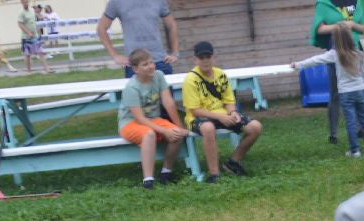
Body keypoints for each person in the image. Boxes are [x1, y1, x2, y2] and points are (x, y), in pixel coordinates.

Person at [182, 42, 263, 182]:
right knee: (208, 128)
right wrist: (220, 117)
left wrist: (232, 113)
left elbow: (229, 101)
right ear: (195, 59)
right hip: (199, 117)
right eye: (202, 57)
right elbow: (195, 110)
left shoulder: (221, 74)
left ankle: (233, 162)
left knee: (255, 127)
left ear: (214, 57)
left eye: (208, 56)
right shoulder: (190, 79)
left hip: (222, 114)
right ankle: (214, 174)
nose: (206, 60)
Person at [291, 25, 364, 156]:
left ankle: (355, 150)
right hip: (361, 90)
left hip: (345, 93)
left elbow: (315, 60)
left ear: (335, 40)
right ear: (350, 38)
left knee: (350, 121)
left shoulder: (334, 55)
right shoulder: (359, 54)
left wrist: (298, 65)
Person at [119, 48, 188, 188]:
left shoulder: (159, 76)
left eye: (151, 62)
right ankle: (148, 180)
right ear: (135, 69)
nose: (151, 66)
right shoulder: (131, 87)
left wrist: (179, 126)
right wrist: (164, 131)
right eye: (145, 64)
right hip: (130, 122)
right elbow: (139, 119)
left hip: (152, 119)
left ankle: (166, 173)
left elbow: (168, 102)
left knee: (177, 133)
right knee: (149, 134)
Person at [99, 0, 181, 77]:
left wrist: (175, 52)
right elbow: (101, 28)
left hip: (160, 62)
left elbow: (172, 25)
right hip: (135, 65)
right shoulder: (117, 2)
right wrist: (115, 56)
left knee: (166, 92)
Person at [17, 2, 52, 74]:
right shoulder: (21, 13)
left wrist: (39, 31)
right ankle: (29, 72)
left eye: (26, 1)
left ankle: (47, 69)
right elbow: (20, 24)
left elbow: (35, 21)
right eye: (24, 1)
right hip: (26, 37)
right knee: (27, 55)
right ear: (22, 2)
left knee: (41, 52)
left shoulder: (32, 10)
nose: (25, 3)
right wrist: (28, 32)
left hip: (35, 35)